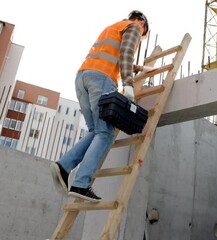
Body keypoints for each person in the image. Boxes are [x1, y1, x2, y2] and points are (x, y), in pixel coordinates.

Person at [50, 10, 154, 202]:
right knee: (105, 133)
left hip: (83, 77)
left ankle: (64, 166)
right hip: (102, 79)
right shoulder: (135, 27)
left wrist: (140, 68)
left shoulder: (113, 27)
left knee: (95, 131)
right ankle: (81, 184)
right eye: (144, 33)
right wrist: (129, 84)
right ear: (141, 22)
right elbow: (127, 53)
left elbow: (116, 55)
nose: (142, 35)